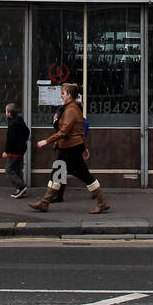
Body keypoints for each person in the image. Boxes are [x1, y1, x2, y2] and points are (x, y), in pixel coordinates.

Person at [29, 83, 109, 214]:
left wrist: (47, 141)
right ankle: (45, 202)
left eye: (63, 93)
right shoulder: (70, 108)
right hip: (70, 147)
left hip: (70, 148)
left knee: (81, 174)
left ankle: (102, 202)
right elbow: (79, 131)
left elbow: (65, 131)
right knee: (59, 172)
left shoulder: (71, 110)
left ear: (69, 95)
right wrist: (84, 148)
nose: (61, 96)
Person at [2, 102, 29, 199]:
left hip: (15, 150)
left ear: (9, 113)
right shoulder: (19, 120)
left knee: (9, 169)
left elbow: (10, 139)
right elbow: (27, 131)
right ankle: (21, 190)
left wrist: (6, 151)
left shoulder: (12, 124)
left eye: (6, 111)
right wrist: (23, 141)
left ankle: (21, 187)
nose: (5, 113)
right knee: (17, 169)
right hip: (21, 148)